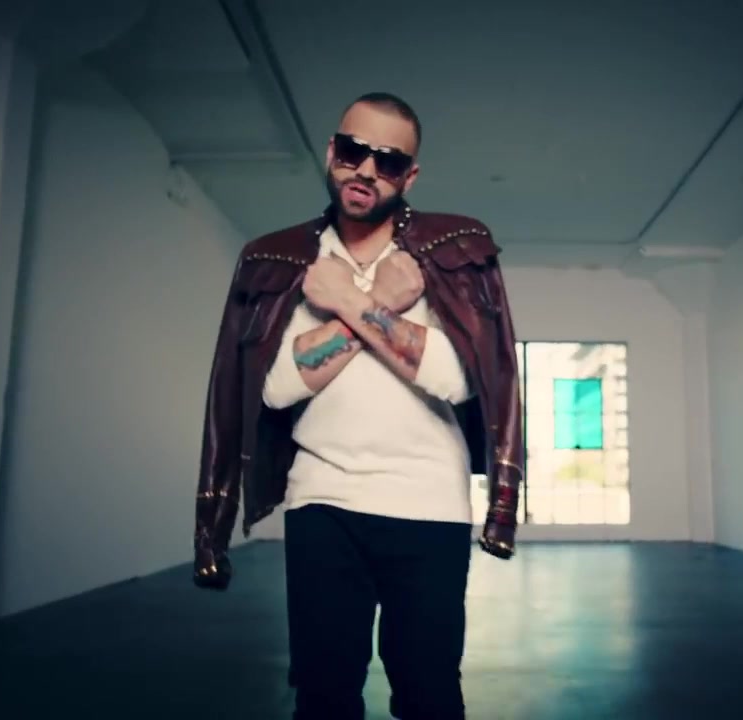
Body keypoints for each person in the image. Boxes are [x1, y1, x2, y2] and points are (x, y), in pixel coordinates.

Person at [190, 91, 524, 720]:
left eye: (388, 161)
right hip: (323, 501)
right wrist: (376, 307)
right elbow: (275, 386)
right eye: (352, 150)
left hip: (429, 503)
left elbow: (458, 377)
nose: (366, 170)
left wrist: (349, 302)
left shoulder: (451, 250)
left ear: (409, 175)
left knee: (429, 697)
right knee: (323, 697)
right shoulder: (285, 260)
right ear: (331, 151)